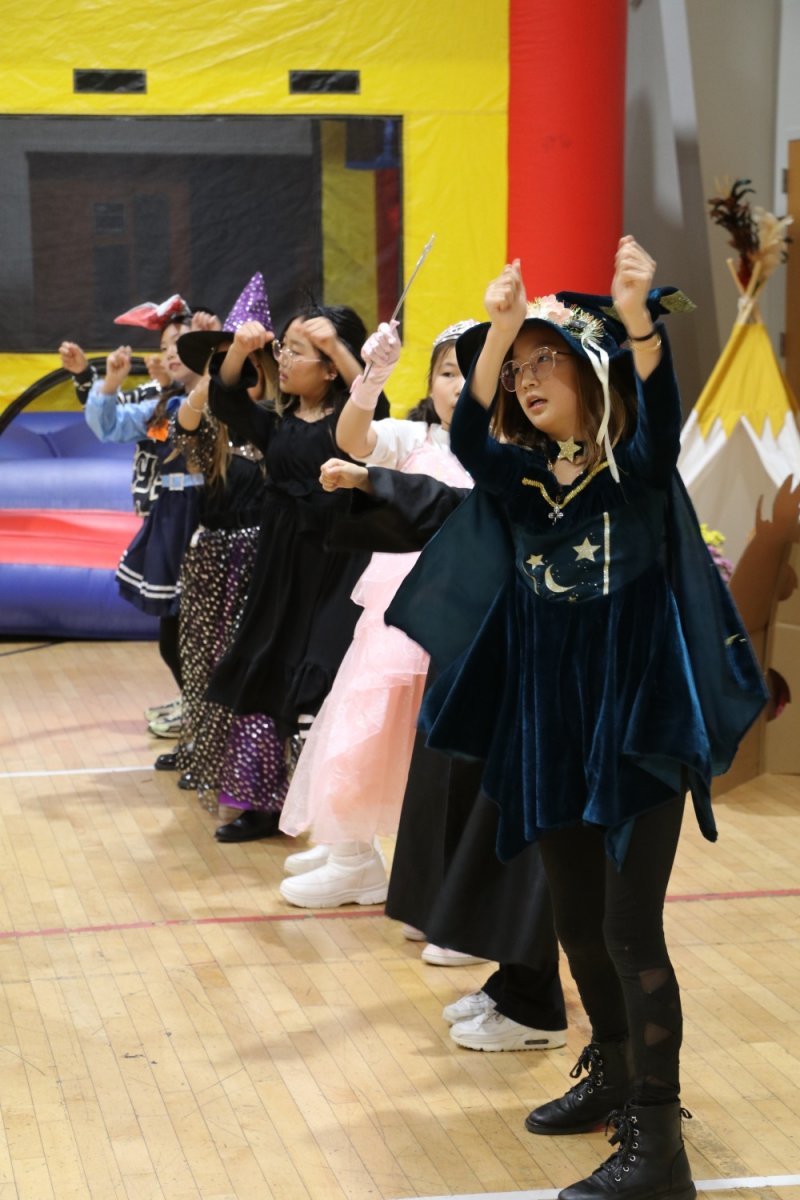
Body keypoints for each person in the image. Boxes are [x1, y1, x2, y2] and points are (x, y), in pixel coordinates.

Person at [385, 237, 767, 1199]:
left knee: (632, 932)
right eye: (516, 368)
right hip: (552, 738)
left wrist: (637, 319)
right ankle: (614, 1075)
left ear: (595, 374)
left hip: (637, 735)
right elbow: (469, 437)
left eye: (544, 360)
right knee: (577, 926)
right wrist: (500, 330)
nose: (524, 378)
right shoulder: (524, 487)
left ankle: (659, 1145)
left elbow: (660, 417)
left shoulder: (635, 477)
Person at [277, 320, 475, 907]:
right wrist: (371, 379)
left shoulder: (506, 451)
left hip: (458, 614)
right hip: (395, 610)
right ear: (430, 382)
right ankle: (351, 850)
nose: (459, 385)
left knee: (411, 740)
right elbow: (353, 437)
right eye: (447, 372)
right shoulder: (414, 437)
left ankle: (363, 854)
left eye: (473, 372)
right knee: (362, 720)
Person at [204, 302, 390, 841]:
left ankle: (334, 818)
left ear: (330, 368)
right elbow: (225, 399)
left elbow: (374, 402)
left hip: (339, 564)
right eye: (283, 348)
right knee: (267, 666)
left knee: (323, 675)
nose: (283, 360)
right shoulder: (278, 424)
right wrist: (241, 350)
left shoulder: (351, 423)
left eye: (298, 351)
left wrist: (336, 347)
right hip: (281, 565)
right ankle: (264, 803)